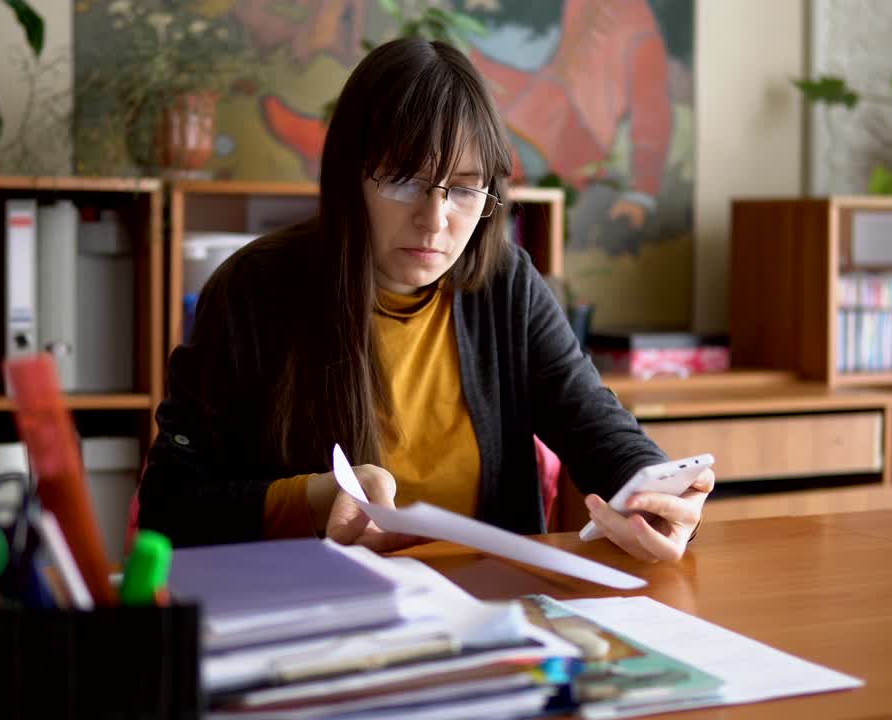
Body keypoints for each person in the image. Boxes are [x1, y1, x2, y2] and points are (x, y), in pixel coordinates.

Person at [138, 37, 714, 563]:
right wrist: (316, 497)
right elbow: (170, 507)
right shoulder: (253, 291)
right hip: (323, 609)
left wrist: (659, 497)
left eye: (463, 189)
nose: (435, 220)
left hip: (492, 611)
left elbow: (593, 423)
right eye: (404, 180)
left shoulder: (506, 284)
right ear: (350, 177)